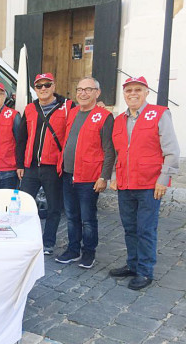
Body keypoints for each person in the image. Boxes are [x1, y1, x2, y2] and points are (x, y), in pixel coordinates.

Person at [108, 76, 180, 290]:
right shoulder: (119, 119)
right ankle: (133, 264)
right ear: (124, 94)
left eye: (137, 90)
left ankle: (145, 271)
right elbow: (117, 152)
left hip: (150, 184)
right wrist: (113, 176)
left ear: (146, 92)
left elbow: (172, 151)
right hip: (125, 184)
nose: (133, 94)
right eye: (128, 90)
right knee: (130, 228)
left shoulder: (159, 114)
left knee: (146, 229)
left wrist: (163, 179)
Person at [55, 77, 115, 268]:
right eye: (79, 89)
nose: (82, 93)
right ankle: (73, 249)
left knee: (88, 218)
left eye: (88, 89)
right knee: (72, 216)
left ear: (97, 93)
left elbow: (109, 150)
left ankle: (89, 252)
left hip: (89, 177)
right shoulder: (72, 113)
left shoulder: (104, 116)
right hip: (68, 174)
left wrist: (104, 176)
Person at [15, 73, 74, 255]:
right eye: (39, 86)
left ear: (53, 86)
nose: (43, 89)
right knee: (24, 205)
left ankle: (48, 243)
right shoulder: (30, 108)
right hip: (31, 166)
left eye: (47, 85)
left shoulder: (68, 106)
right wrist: (20, 164)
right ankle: (23, 238)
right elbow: (22, 138)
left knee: (54, 207)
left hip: (53, 167)